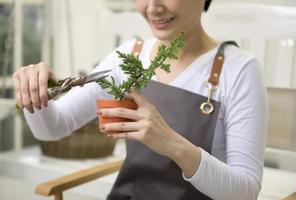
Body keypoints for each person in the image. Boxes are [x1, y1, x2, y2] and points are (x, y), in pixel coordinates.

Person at [12, 0, 267, 199]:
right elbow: (52, 128)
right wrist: (33, 93)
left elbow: (245, 192)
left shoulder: (239, 70)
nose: (153, 7)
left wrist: (170, 143)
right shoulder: (129, 56)